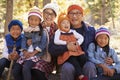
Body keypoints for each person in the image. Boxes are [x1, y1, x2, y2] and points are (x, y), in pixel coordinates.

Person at [48, 4, 96, 80]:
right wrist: (66, 47)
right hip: (67, 62)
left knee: (90, 66)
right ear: (68, 16)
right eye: (71, 13)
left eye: (77, 13)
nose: (74, 16)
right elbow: (51, 49)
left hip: (84, 60)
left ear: (82, 16)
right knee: (68, 67)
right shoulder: (61, 30)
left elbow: (99, 46)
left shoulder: (90, 30)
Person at [12, 6, 48, 80]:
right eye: (31, 19)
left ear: (39, 21)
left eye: (36, 20)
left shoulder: (42, 32)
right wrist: (25, 52)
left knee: (26, 68)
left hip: (36, 54)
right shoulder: (26, 31)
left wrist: (33, 53)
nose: (33, 22)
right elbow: (23, 42)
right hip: (26, 54)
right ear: (28, 20)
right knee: (15, 70)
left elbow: (43, 45)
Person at [55, 12, 88, 80]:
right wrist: (66, 43)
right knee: (72, 59)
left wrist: (77, 43)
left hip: (76, 50)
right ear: (59, 25)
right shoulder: (58, 32)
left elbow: (81, 37)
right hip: (67, 53)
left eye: (67, 22)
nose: (66, 24)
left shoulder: (72, 31)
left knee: (83, 57)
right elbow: (56, 41)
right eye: (63, 23)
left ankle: (76, 74)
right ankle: (80, 76)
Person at [31, 2, 59, 80]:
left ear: (55, 16)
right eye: (46, 13)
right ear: (43, 13)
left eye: (52, 14)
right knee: (28, 67)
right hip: (35, 55)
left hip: (48, 58)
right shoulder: (37, 25)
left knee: (36, 68)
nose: (49, 16)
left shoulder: (57, 28)